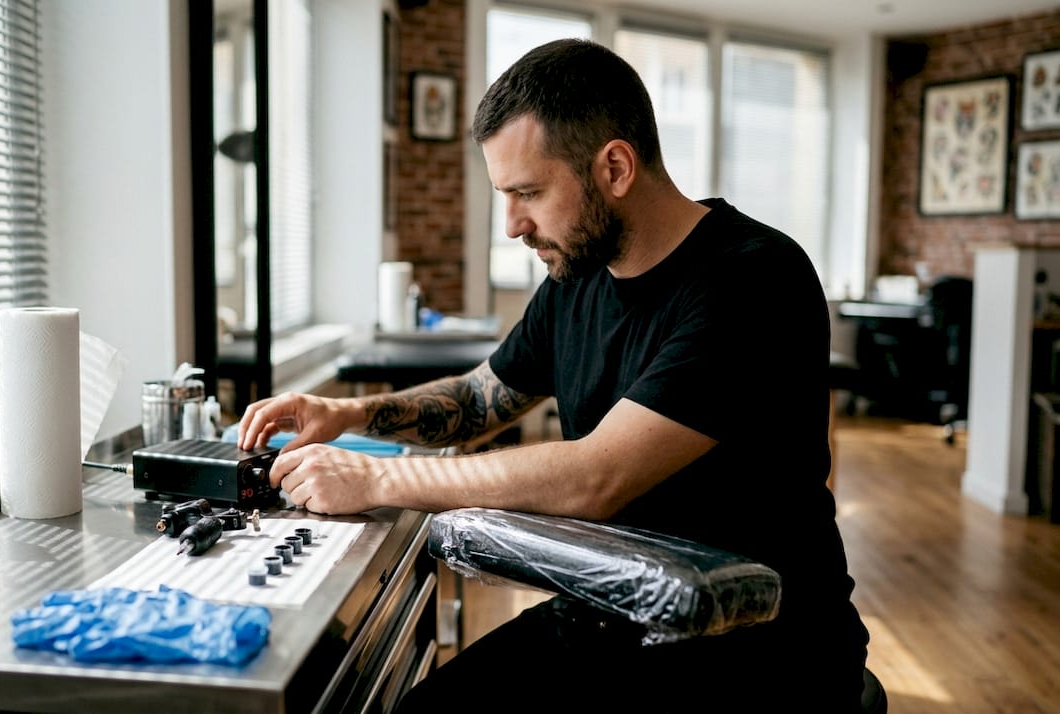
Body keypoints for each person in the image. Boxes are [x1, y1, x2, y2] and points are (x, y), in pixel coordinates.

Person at [238, 38, 870, 712]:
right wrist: (347, 415)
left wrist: (376, 476)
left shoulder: (752, 279)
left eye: (528, 193)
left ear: (616, 167)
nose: (512, 224)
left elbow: (594, 476)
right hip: (607, 621)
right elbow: (478, 399)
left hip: (757, 659)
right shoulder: (577, 276)